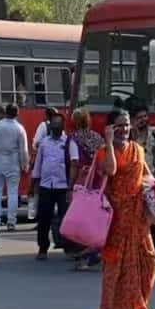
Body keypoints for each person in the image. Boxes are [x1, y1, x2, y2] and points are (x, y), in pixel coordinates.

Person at [96, 109, 155, 309]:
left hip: (138, 219)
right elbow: (111, 170)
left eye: (127, 124)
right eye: (119, 125)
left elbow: (148, 177)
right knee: (118, 272)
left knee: (148, 263)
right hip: (115, 221)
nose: (124, 129)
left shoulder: (138, 150)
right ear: (110, 127)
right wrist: (110, 142)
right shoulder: (103, 152)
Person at [67, 107, 104, 270]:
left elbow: (74, 162)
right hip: (98, 180)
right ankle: (94, 248)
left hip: (83, 181)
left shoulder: (74, 139)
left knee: (80, 217)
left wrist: (70, 185)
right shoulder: (98, 137)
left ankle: (85, 251)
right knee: (94, 216)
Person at [0, 103, 30, 231]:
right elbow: (24, 150)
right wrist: (24, 164)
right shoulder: (20, 128)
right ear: (17, 114)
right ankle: (11, 222)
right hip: (13, 163)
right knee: (12, 192)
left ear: (5, 112)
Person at [32, 112, 70, 261]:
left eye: (58, 123)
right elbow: (38, 165)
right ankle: (42, 247)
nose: (55, 126)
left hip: (63, 186)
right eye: (53, 123)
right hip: (46, 185)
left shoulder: (67, 143)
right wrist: (33, 184)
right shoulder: (44, 143)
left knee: (64, 218)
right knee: (44, 218)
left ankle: (68, 246)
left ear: (62, 126)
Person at [131, 105, 155, 174]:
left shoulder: (154, 131)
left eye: (145, 116)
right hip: (133, 173)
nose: (143, 119)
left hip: (150, 172)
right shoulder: (127, 134)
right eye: (139, 118)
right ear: (133, 119)